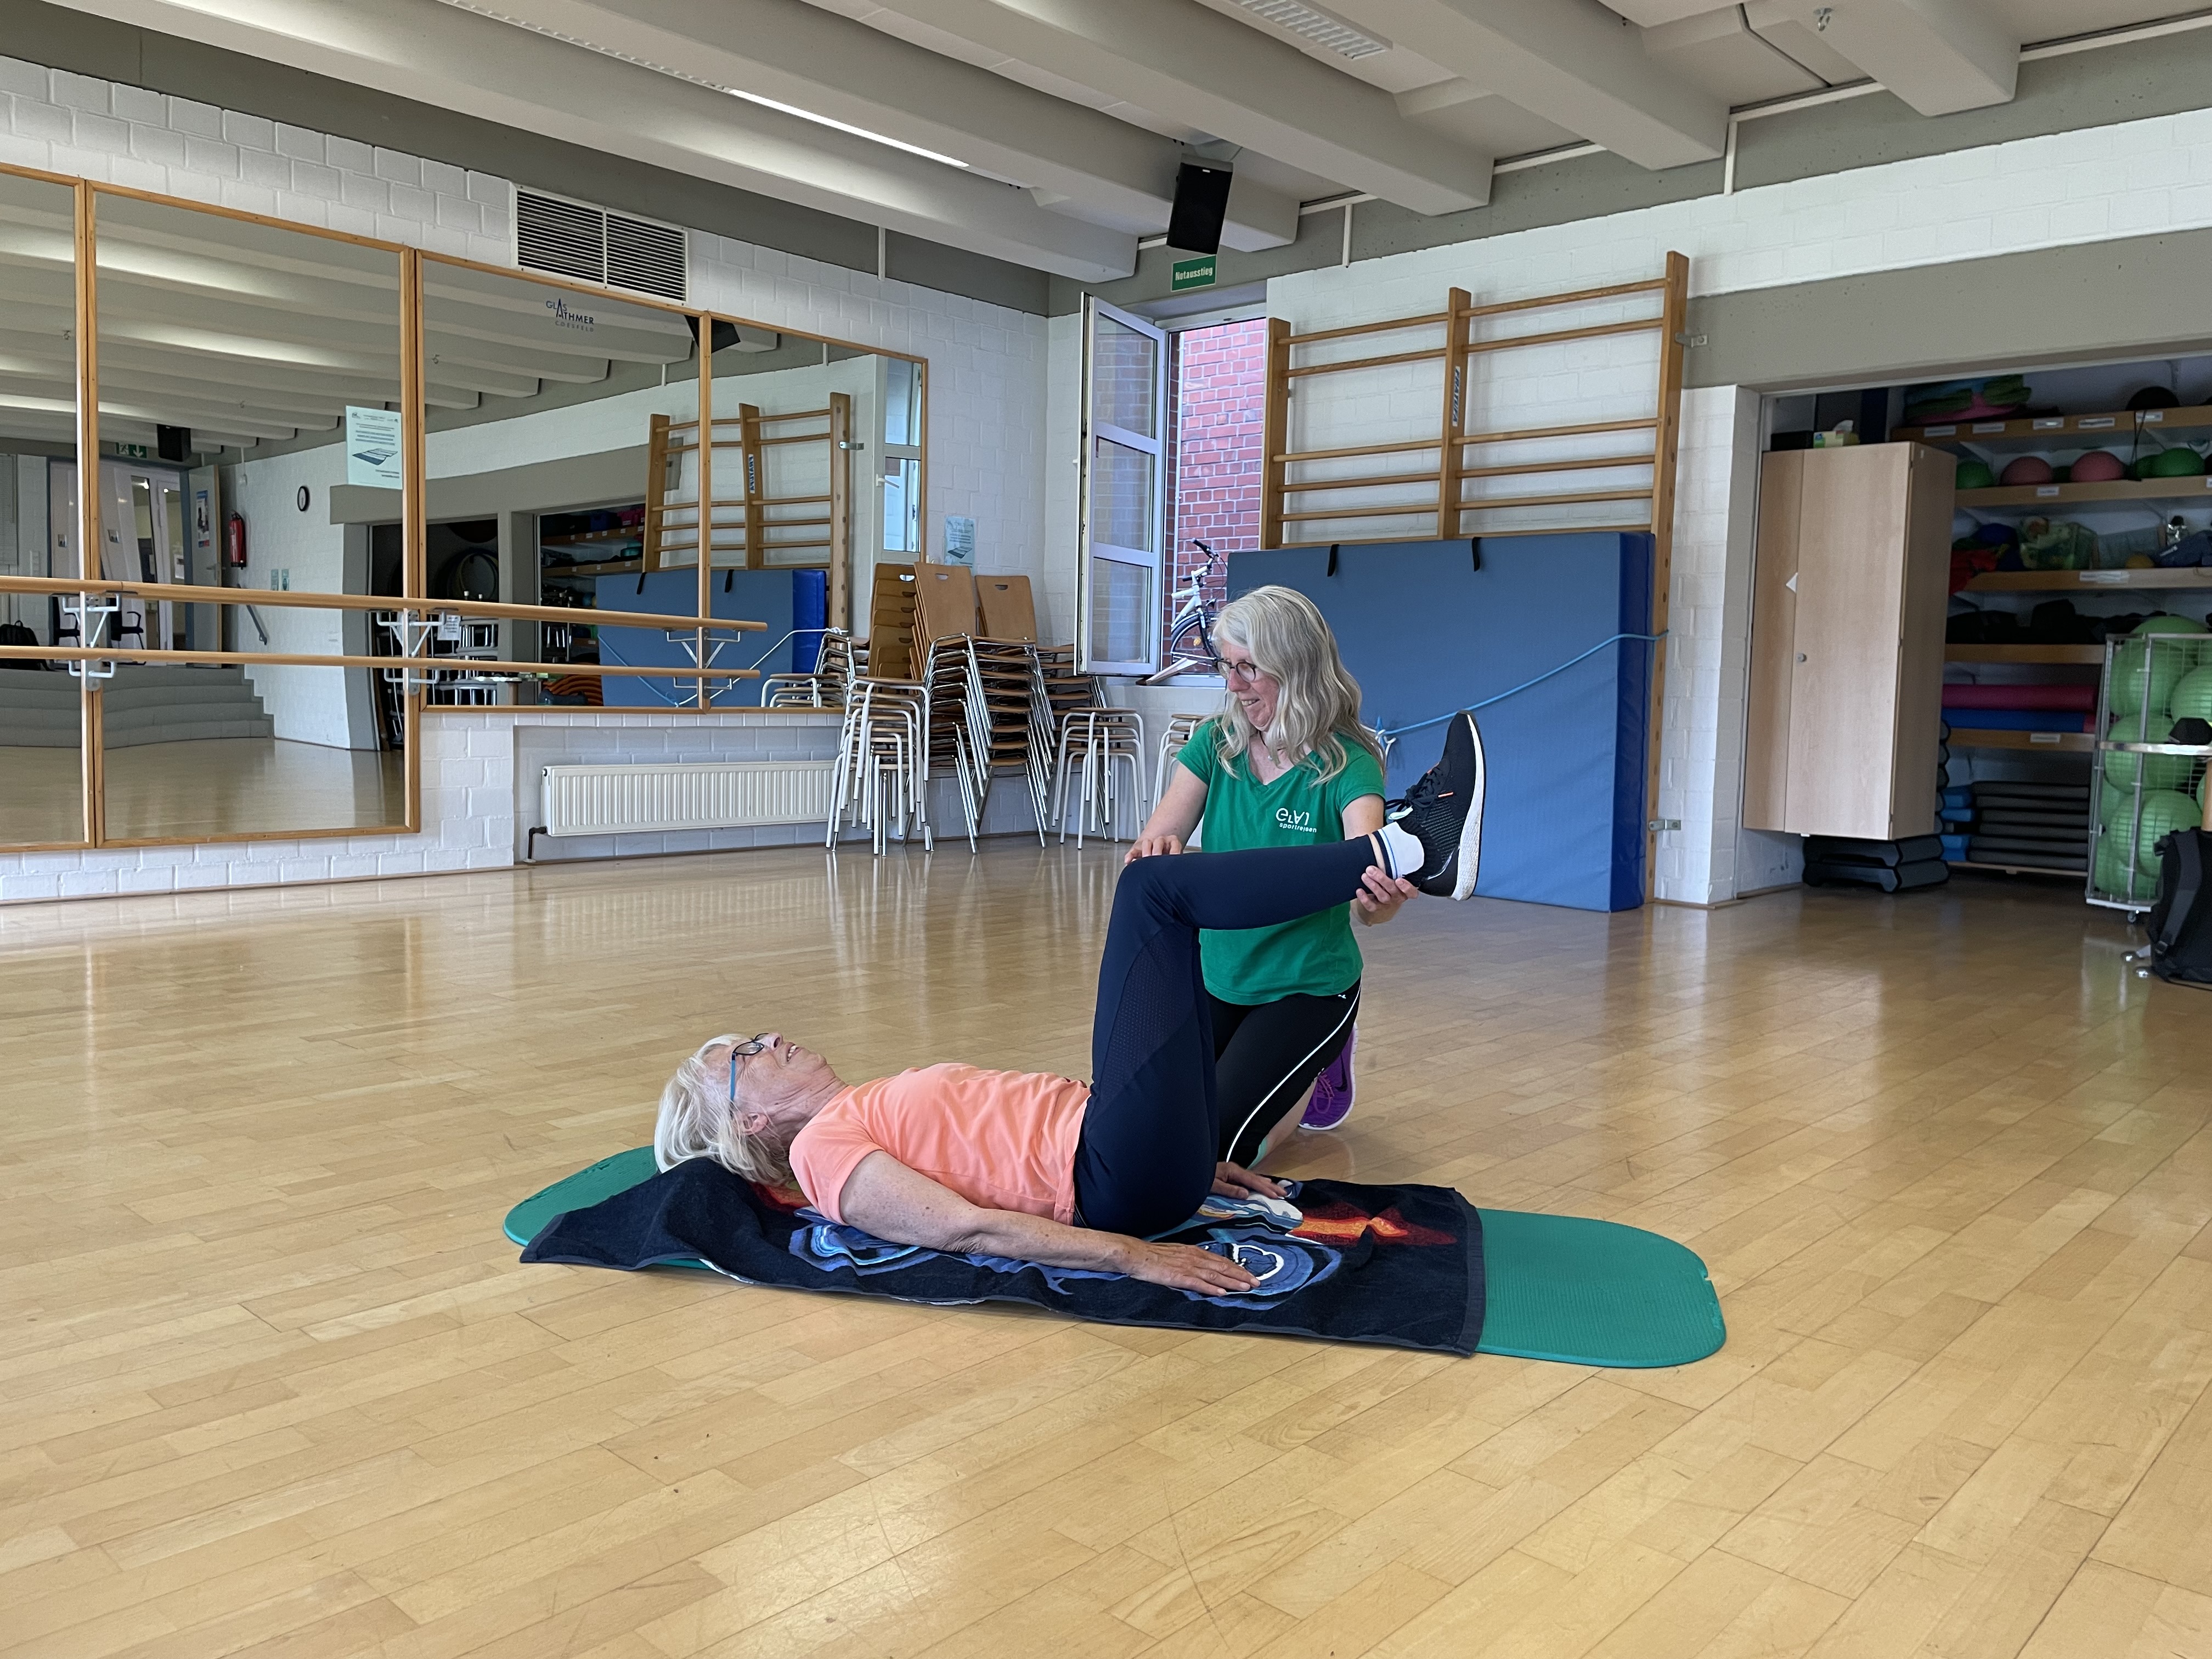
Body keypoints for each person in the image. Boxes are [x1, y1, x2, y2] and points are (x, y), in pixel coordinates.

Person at [652, 714, 1485, 1295]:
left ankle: (1399, 856)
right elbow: (965, 1229)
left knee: (1166, 905)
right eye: (747, 1055)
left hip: (1131, 1151)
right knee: (1154, 892)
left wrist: (1194, 1165)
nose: (770, 1038)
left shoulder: (859, 1106)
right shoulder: (823, 1154)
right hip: (1110, 1176)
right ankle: (1408, 847)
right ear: (750, 1121)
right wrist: (1130, 1258)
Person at [1127, 586, 1442, 1161]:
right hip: (1219, 977)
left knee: (1213, 1152)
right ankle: (1300, 1069)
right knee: (1154, 1127)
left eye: (1249, 668)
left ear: (1295, 667)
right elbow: (1158, 835)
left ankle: (1313, 1070)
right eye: (1227, 666)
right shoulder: (1215, 744)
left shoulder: (1349, 763)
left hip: (1309, 987)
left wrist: (1381, 900)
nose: (1233, 685)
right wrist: (1158, 848)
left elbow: (1368, 895)